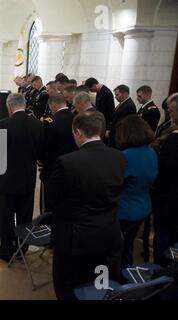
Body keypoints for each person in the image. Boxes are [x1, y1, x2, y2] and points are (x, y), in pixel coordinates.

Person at [48, 111, 125, 300]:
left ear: (79, 133)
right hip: (107, 232)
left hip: (74, 238)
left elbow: (53, 197)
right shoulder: (119, 157)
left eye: (74, 134)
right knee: (97, 282)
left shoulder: (67, 162)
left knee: (67, 284)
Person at [0, 93, 44, 262]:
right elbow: (41, 153)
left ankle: (6, 250)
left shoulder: (3, 125)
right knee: (25, 216)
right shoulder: (37, 124)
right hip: (28, 179)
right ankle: (22, 249)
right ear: (25, 105)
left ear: (9, 106)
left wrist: (1, 171)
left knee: (5, 217)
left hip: (7, 180)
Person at [115, 115, 157, 268]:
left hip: (124, 210)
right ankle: (127, 277)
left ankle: (116, 284)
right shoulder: (151, 152)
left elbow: (115, 184)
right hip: (143, 206)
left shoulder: (125, 156)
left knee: (117, 249)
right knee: (128, 246)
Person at [40, 94, 78, 214]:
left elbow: (45, 148)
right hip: (73, 167)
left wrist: (42, 165)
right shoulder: (77, 119)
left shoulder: (50, 122)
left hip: (53, 169)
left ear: (53, 105)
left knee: (50, 205)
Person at [153, 95, 178, 267]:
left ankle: (163, 274)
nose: (169, 115)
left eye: (170, 111)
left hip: (170, 199)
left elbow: (164, 170)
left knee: (164, 238)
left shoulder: (174, 140)